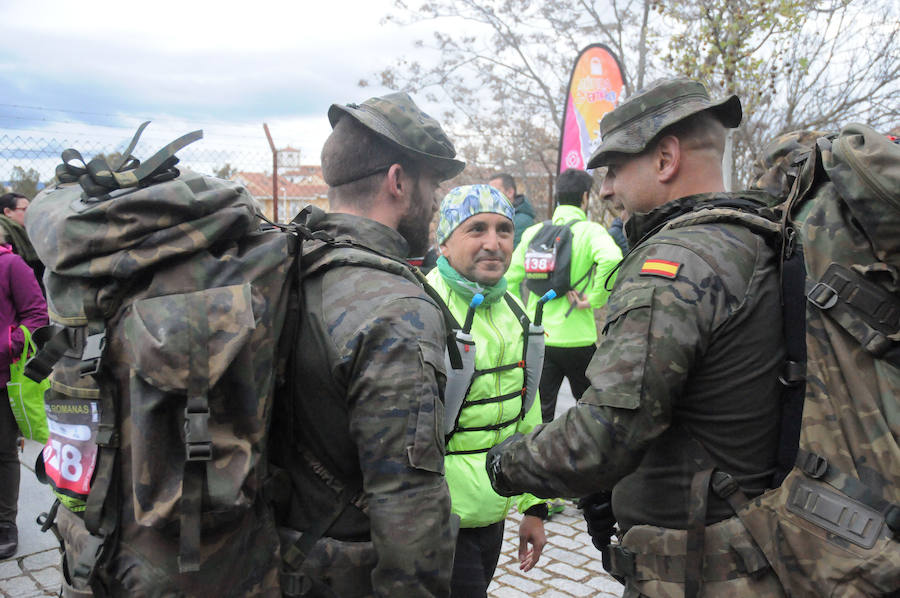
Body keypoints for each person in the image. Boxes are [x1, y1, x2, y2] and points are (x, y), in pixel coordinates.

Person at [487, 78, 787, 597]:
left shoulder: (673, 266)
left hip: (700, 571)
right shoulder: (760, 241)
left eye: (614, 169)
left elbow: (599, 439)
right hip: (762, 547)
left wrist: (503, 462)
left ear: (665, 159)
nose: (605, 189)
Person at [270, 92, 464, 597]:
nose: (435, 203)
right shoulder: (395, 308)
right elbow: (408, 509)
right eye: (432, 185)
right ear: (398, 181)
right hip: (343, 576)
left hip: (271, 559)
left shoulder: (289, 264)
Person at [427, 184, 547, 597]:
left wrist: (533, 505)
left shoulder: (514, 307)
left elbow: (527, 411)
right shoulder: (421, 306)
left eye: (504, 230)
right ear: (443, 242)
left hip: (494, 510)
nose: (493, 243)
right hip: (436, 516)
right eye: (476, 229)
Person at [505, 168, 622, 423]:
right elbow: (613, 258)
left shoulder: (533, 233)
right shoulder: (591, 231)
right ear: (584, 197)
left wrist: (523, 317)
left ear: (558, 196)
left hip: (540, 338)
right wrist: (594, 298)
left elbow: (509, 277)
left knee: (538, 413)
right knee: (591, 413)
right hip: (578, 338)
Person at [0, 230, 48, 559]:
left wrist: (7, 344)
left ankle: (5, 523)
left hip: (3, 377)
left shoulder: (11, 265)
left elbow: (37, 316)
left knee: (2, 452)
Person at [0, 193, 43, 285]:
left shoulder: (26, 231)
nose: (30, 213)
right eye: (25, 209)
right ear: (8, 212)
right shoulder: (5, 236)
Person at [488, 173, 535, 248]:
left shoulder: (521, 221)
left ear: (510, 192)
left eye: (494, 191)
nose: (490, 196)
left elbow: (511, 251)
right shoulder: (497, 216)